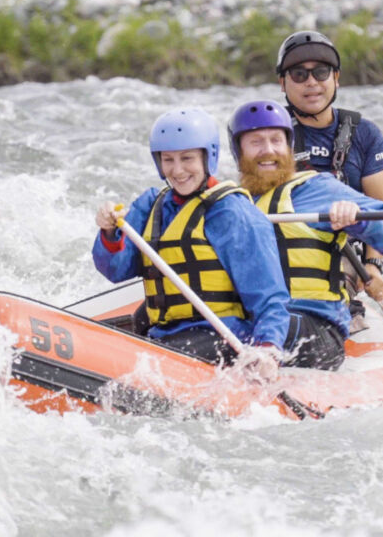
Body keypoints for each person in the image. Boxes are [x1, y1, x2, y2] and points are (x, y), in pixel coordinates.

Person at [92, 107, 289, 380]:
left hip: (220, 336)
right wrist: (110, 233)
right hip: (163, 333)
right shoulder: (152, 204)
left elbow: (268, 295)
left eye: (187, 158)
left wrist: (268, 349)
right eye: (168, 159)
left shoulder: (233, 213)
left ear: (208, 157)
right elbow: (115, 271)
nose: (178, 170)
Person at [228, 99, 383, 370]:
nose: (268, 151)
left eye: (276, 141)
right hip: (255, 320)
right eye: (256, 142)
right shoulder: (229, 203)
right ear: (238, 151)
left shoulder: (320, 189)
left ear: (288, 147)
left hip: (315, 328)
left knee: (237, 330)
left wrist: (358, 221)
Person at [275, 30, 383, 305]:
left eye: (321, 72)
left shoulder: (365, 134)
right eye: (298, 75)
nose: (311, 83)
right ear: (283, 83)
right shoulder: (268, 133)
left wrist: (374, 266)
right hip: (281, 248)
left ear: (336, 79)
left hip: (342, 254)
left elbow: (381, 210)